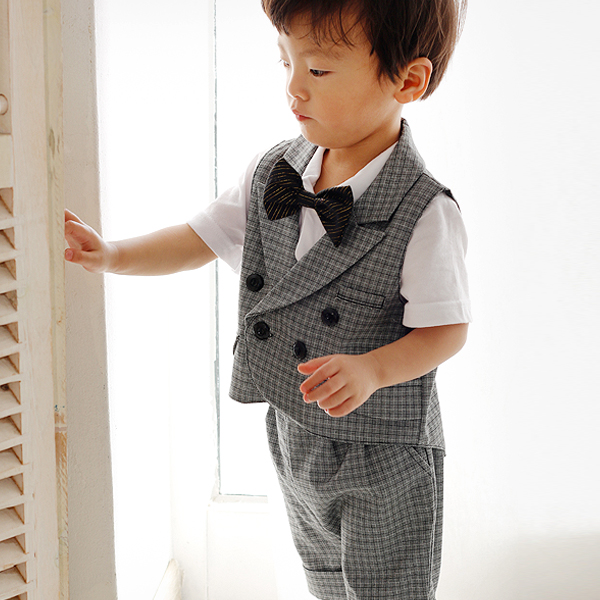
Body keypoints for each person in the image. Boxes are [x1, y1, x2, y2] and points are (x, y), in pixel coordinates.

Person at [65, 0, 470, 598]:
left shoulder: (424, 210)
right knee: (326, 581)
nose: (294, 88)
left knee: (388, 589)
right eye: (286, 62)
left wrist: (373, 370)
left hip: (382, 453)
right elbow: (199, 237)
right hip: (295, 431)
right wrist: (113, 254)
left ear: (407, 80)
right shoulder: (274, 172)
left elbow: (447, 329)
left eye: (318, 69)